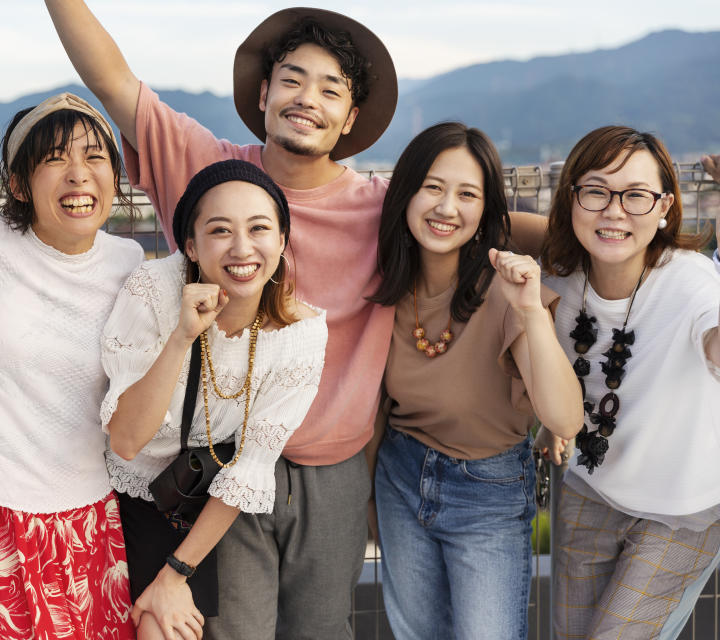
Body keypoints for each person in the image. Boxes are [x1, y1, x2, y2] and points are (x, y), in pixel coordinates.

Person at [43, 4, 547, 636]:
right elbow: (111, 80)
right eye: (292, 79)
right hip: (219, 460)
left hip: (332, 467)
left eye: (330, 89)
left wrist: (629, 235)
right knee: (233, 629)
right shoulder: (209, 170)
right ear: (263, 93)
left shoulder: (385, 207)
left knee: (321, 629)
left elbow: (490, 225)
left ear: (351, 117)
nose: (307, 99)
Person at [0, 93, 142, 639]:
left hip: (89, 513)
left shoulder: (130, 264)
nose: (78, 175)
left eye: (94, 157)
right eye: (54, 159)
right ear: (19, 185)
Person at [369, 122, 582, 639]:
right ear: (406, 192)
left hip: (487, 490)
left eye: (468, 194)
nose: (446, 208)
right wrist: (368, 499)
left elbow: (565, 417)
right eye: (433, 187)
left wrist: (531, 309)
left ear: (487, 211)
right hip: (399, 473)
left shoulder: (507, 291)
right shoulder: (388, 279)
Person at [99, 159, 325, 639]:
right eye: (220, 230)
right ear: (191, 246)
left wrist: (174, 575)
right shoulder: (155, 291)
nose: (242, 248)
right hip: (125, 495)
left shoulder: (300, 335)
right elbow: (125, 440)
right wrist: (182, 337)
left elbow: (248, 466)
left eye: (260, 228)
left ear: (282, 241)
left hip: (202, 503)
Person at [538, 126, 720, 639]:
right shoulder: (556, 280)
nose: (614, 211)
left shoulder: (690, 279)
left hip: (680, 510)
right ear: (571, 198)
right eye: (596, 191)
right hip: (588, 490)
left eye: (636, 195)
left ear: (664, 207)